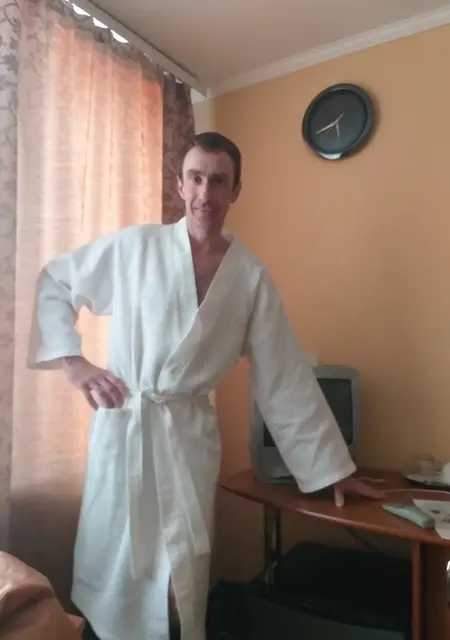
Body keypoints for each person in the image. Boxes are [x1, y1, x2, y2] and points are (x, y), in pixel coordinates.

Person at [27, 131, 383, 640]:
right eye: (195, 178)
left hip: (187, 436)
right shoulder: (135, 247)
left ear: (236, 189)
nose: (204, 193)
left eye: (218, 181)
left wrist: (331, 469)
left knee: (181, 577)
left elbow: (283, 376)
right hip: (128, 431)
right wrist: (74, 364)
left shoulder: (250, 278)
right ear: (180, 184)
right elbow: (57, 281)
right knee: (118, 570)